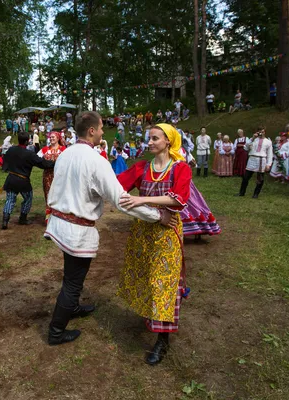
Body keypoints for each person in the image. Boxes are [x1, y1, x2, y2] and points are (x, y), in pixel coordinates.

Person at [44, 112, 168, 346]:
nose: (103, 132)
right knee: (73, 282)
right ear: (91, 131)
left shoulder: (65, 154)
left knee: (71, 275)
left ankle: (72, 307)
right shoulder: (95, 160)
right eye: (101, 128)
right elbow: (121, 201)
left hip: (60, 224)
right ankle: (56, 331)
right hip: (76, 230)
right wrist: (156, 216)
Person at [115, 123, 192, 365]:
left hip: (167, 232)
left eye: (155, 138)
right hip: (143, 231)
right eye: (149, 138)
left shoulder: (181, 168)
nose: (149, 142)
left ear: (168, 141)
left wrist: (141, 199)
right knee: (145, 275)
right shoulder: (141, 167)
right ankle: (151, 315)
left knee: (163, 282)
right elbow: (116, 185)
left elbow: (178, 199)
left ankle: (162, 340)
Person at [1, 131, 54, 229]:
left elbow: (5, 161)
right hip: (23, 181)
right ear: (27, 141)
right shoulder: (29, 154)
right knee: (28, 198)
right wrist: (55, 162)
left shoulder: (11, 150)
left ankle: (5, 221)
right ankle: (23, 218)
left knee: (10, 200)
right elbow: (42, 163)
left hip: (11, 178)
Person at [37, 131, 67, 222]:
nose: (51, 138)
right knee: (48, 194)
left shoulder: (63, 149)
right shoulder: (45, 149)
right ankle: (49, 216)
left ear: (58, 138)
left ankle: (59, 216)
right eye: (50, 137)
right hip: (47, 176)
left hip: (59, 176)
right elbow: (37, 159)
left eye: (53, 137)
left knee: (59, 194)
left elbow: (69, 160)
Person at [237, 126, 273, 198]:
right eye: (260, 132)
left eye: (263, 132)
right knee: (245, 177)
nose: (261, 133)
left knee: (260, 179)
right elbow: (246, 148)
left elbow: (270, 154)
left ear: (264, 132)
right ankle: (241, 192)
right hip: (252, 159)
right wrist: (253, 138)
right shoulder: (253, 140)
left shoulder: (268, 142)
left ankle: (256, 194)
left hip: (261, 160)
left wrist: (268, 164)